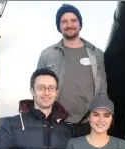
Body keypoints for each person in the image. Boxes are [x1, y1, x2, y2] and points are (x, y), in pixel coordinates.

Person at [37, 3, 108, 137]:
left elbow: (102, 90)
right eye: (64, 21)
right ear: (59, 26)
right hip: (56, 124)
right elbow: (37, 89)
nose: (69, 25)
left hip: (88, 124)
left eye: (73, 20)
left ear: (80, 24)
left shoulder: (96, 54)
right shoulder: (47, 54)